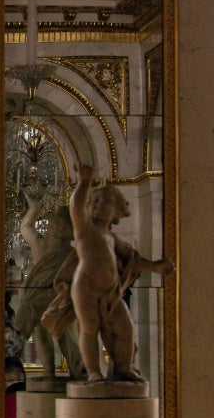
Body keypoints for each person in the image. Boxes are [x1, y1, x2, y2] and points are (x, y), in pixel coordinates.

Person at [63, 162, 173, 383]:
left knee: (125, 329)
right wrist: (83, 182)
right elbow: (75, 206)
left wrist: (155, 267)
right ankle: (93, 370)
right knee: (89, 327)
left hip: (111, 290)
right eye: (93, 202)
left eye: (102, 203)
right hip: (85, 286)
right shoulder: (85, 229)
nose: (96, 206)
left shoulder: (111, 237)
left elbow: (133, 259)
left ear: (116, 212)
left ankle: (123, 368)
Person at [13, 189, 84, 379]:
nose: (55, 225)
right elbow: (26, 228)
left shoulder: (73, 253)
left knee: (64, 334)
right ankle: (46, 372)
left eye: (61, 223)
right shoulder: (41, 243)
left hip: (58, 297)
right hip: (36, 295)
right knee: (34, 333)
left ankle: (79, 371)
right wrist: (34, 209)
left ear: (70, 231)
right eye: (55, 222)